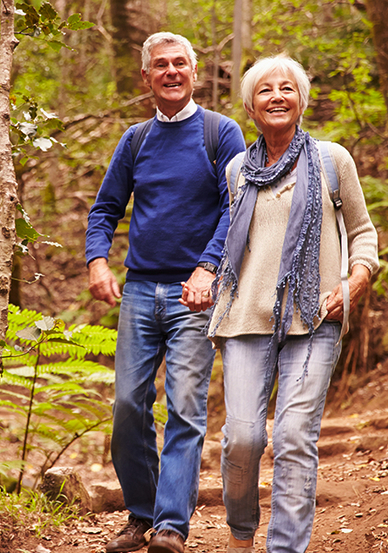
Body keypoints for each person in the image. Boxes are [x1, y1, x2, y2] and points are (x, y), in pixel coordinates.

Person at [208, 54, 379, 553]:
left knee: (295, 437)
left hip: (314, 317)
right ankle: (241, 535)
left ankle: (285, 547)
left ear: (302, 100)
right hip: (244, 318)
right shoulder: (239, 168)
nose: (277, 96)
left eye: (287, 88)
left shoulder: (331, 160)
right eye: (265, 90)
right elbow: (232, 242)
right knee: (242, 438)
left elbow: (363, 232)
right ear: (250, 107)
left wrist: (356, 280)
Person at [85, 32, 246, 553]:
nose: (172, 72)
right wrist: (96, 262)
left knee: (184, 407)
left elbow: (236, 208)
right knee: (129, 405)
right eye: (161, 65)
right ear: (147, 76)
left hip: (194, 295)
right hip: (137, 291)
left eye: (181, 63)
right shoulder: (134, 140)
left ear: (195, 72)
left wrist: (208, 269)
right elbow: (105, 209)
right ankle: (141, 513)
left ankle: (171, 526)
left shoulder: (220, 134)